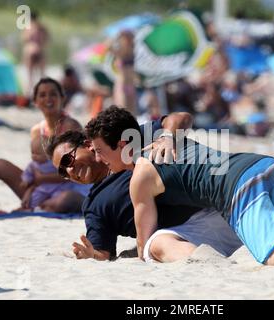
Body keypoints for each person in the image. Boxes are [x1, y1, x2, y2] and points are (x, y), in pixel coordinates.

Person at [85, 106, 274, 269]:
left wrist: (131, 255)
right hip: (264, 164)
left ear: (122, 145)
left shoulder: (140, 176)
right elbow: (182, 118)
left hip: (237, 190)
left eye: (99, 150)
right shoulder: (165, 138)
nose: (98, 159)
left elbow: (145, 243)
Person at [47, 111, 243, 262]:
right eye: (63, 172)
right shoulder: (94, 204)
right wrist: (92, 255)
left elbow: (182, 118)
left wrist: (167, 137)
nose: (70, 170)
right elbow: (103, 253)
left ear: (88, 144)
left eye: (67, 159)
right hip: (190, 234)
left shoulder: (127, 140)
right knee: (157, 245)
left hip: (220, 200)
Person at [0, 78, 89, 213]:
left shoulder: (70, 126)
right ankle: (39, 206)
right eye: (42, 95)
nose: (48, 98)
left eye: (53, 94)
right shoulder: (37, 130)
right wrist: (30, 190)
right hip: (42, 190)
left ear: (62, 98)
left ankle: (40, 207)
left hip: (70, 188)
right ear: (35, 101)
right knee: (0, 165)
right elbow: (36, 168)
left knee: (66, 200)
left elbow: (77, 172)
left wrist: (41, 179)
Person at [21, 11, 49, 95]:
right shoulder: (34, 28)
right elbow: (25, 39)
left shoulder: (39, 28)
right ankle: (31, 90)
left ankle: (33, 90)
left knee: (36, 74)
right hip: (33, 51)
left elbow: (25, 40)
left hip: (35, 51)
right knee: (32, 75)